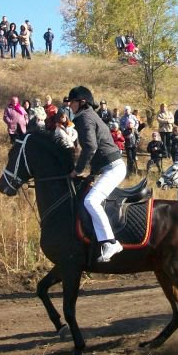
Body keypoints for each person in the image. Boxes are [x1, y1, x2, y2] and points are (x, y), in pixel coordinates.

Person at [67, 86, 126, 262]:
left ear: (82, 102)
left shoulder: (85, 118)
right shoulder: (89, 115)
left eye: (72, 102)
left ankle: (111, 242)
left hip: (113, 168)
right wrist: (92, 174)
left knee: (90, 201)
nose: (70, 105)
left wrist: (77, 170)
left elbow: (91, 147)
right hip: (108, 166)